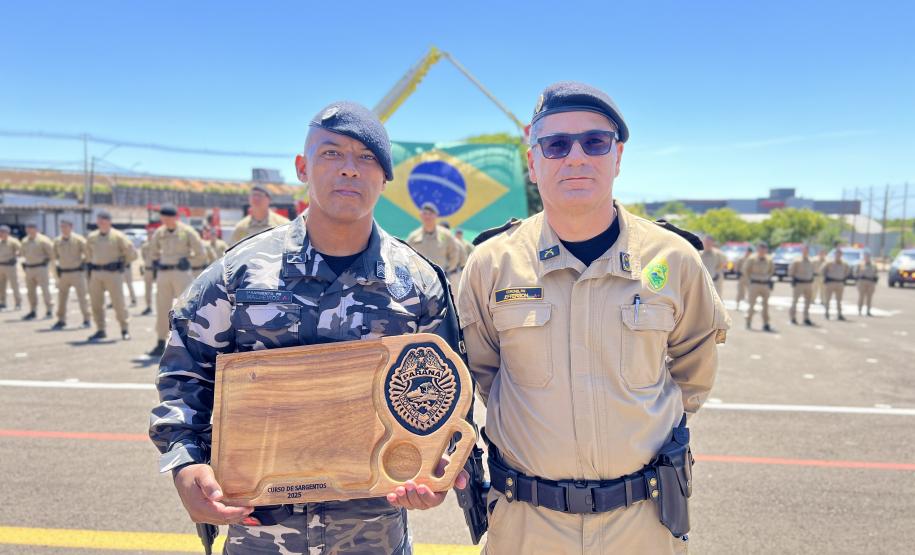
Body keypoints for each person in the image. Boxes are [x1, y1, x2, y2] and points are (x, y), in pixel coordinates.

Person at [149, 101, 466, 554]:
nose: (350, 170)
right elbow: (184, 374)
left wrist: (438, 473)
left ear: (384, 177)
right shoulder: (238, 275)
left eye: (366, 158)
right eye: (332, 153)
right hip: (261, 533)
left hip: (372, 534)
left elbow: (448, 395)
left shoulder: (417, 284)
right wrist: (185, 463)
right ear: (302, 166)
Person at [455, 82, 729, 554]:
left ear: (617, 157)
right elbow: (482, 374)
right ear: (533, 161)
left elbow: (692, 372)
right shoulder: (491, 264)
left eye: (595, 142)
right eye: (556, 144)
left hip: (642, 523)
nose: (576, 157)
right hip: (526, 524)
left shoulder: (674, 259)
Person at [145, 205, 205, 357]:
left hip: (181, 273)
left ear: (175, 217)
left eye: (168, 217)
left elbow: (201, 253)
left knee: (185, 308)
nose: (165, 220)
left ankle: (190, 343)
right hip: (164, 273)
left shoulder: (187, 232)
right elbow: (152, 252)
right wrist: (154, 263)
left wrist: (189, 262)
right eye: (163, 218)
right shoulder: (160, 232)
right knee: (162, 308)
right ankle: (160, 342)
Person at [86, 211, 136, 340]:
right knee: (96, 303)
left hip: (113, 273)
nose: (101, 223)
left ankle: (124, 329)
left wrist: (122, 264)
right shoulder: (92, 237)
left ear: (109, 221)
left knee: (118, 302)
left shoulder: (118, 236)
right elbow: (87, 255)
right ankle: (100, 329)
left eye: (103, 220)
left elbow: (132, 254)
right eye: (99, 221)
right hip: (96, 273)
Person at [406, 202, 463, 286]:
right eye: (425, 213)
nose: (427, 216)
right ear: (421, 215)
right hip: (419, 281)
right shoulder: (413, 237)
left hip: (440, 280)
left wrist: (447, 271)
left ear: (436, 216)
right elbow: (406, 256)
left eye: (430, 214)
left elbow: (454, 253)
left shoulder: (446, 235)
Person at [52, 219, 90, 329]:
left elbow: (88, 254)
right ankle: (61, 320)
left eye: (66, 226)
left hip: (77, 273)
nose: (63, 229)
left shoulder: (79, 240)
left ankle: (87, 319)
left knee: (82, 297)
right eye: (62, 227)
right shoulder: (57, 241)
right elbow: (54, 256)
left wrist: (83, 263)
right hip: (63, 273)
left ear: (71, 227)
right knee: (61, 298)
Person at [20, 222, 55, 320]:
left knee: (45, 290)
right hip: (29, 268)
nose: (29, 230)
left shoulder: (43, 240)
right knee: (30, 291)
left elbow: (52, 254)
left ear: (36, 229)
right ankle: (33, 310)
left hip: (41, 268)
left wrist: (48, 264)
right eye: (27, 228)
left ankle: (49, 309)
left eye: (31, 227)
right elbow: (22, 253)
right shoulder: (25, 241)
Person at [743, 242, 775, 332]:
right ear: (758, 249)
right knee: (752, 304)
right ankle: (748, 321)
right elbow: (746, 270)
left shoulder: (769, 259)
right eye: (761, 249)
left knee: (766, 305)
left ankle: (766, 323)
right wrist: (749, 281)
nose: (762, 251)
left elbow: (771, 270)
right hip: (754, 284)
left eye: (764, 249)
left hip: (765, 284)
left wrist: (767, 278)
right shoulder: (752, 259)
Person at [787, 244, 815, 326]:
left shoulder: (811, 261)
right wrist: (793, 279)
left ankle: (806, 318)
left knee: (808, 302)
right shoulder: (797, 260)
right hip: (799, 283)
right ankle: (793, 318)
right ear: (802, 251)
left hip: (808, 283)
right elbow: (791, 272)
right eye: (804, 250)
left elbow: (812, 271)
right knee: (795, 301)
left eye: (807, 250)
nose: (806, 251)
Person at [822, 249, 850, 320]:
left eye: (840, 254)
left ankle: (839, 314)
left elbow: (847, 272)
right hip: (830, 283)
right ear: (835, 255)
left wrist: (843, 278)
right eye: (837, 254)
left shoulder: (844, 264)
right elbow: (822, 270)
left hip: (840, 283)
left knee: (839, 300)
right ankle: (827, 313)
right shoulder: (829, 263)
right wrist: (825, 278)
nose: (838, 255)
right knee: (828, 299)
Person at [0, 224, 23, 311]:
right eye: (0, 232)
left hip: (10, 266)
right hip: (1, 266)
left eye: (3, 232)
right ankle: (3, 303)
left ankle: (18, 302)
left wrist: (16, 256)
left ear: (7, 232)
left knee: (14, 285)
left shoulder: (13, 241)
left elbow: (21, 250)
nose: (1, 234)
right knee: (1, 286)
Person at [856, 252, 878, 316]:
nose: (867, 258)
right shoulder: (860, 264)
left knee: (869, 297)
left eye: (868, 257)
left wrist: (875, 280)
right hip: (862, 282)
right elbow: (856, 273)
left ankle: (868, 311)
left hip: (870, 282)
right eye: (866, 256)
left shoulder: (873, 265)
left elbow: (876, 273)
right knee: (861, 297)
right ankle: (859, 310)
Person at [140, 239, 154, 316]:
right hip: (148, 269)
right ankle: (148, 306)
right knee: (147, 290)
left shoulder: (159, 243)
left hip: (158, 269)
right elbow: (143, 256)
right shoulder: (145, 246)